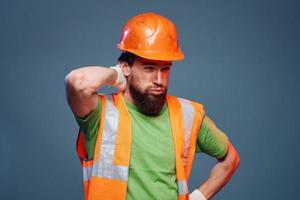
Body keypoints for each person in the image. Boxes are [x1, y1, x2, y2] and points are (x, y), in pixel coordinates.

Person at [65, 12, 239, 200]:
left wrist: (198, 198)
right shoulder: (101, 114)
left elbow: (231, 158)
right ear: (125, 67)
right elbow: (79, 81)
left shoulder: (187, 115)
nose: (159, 80)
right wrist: (116, 76)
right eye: (149, 68)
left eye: (165, 69)